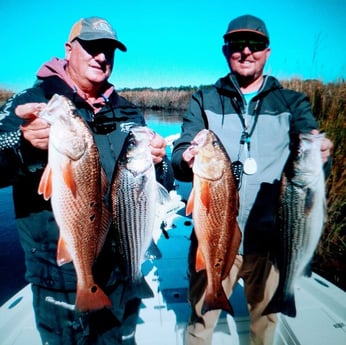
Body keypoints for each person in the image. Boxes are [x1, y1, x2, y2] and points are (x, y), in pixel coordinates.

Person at [0, 17, 174, 345]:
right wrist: (22, 144)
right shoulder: (37, 101)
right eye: (92, 47)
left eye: (108, 50)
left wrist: (160, 163)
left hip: (120, 264)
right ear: (69, 50)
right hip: (58, 271)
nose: (101, 57)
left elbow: (157, 186)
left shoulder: (128, 113)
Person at [171, 14, 333, 345]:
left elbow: (311, 170)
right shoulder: (204, 99)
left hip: (272, 241)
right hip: (214, 236)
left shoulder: (293, 102)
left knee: (265, 323)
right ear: (225, 50)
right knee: (201, 323)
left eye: (255, 44)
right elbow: (180, 154)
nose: (246, 51)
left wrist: (321, 158)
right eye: (237, 44)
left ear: (267, 51)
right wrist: (186, 156)